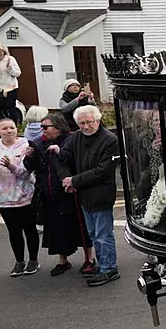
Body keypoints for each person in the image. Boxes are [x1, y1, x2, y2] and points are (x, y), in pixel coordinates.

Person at [23, 113, 96, 276]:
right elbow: (32, 167)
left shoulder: (71, 140)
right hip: (48, 192)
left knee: (80, 226)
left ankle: (89, 259)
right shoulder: (39, 143)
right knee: (55, 228)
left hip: (69, 191)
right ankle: (63, 261)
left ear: (58, 127)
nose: (42, 131)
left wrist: (60, 152)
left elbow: (76, 161)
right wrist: (29, 157)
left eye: (45, 127)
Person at [55, 105, 120, 286]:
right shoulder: (76, 137)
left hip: (101, 194)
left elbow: (103, 171)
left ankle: (109, 269)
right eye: (81, 123)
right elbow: (64, 157)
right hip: (84, 195)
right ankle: (103, 265)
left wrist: (74, 181)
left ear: (98, 121)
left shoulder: (110, 140)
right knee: (92, 234)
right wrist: (66, 178)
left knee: (103, 234)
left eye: (89, 122)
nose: (85, 126)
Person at [0, 118, 39, 276]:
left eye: (12, 127)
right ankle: (19, 261)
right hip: (3, 198)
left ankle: (33, 260)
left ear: (16, 129)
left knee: (29, 229)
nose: (9, 131)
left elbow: (26, 172)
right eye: (5, 128)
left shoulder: (26, 145)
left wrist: (10, 165)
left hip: (25, 195)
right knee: (13, 231)